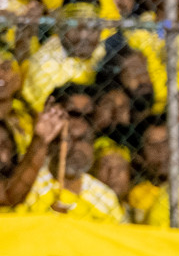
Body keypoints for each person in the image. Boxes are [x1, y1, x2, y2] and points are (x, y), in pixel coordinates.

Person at [14, 87, 123, 222]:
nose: (76, 147)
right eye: (68, 139)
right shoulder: (29, 184)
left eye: (83, 139)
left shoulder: (105, 197)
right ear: (53, 142)